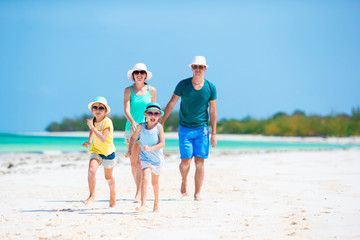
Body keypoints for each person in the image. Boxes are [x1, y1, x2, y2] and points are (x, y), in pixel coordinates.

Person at [161, 56, 217, 201]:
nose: (198, 70)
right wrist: (161, 122)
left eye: (201, 67)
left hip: (202, 130)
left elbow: (212, 111)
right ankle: (184, 180)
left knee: (199, 162)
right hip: (185, 129)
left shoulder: (211, 88)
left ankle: (197, 193)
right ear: (191, 68)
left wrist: (214, 133)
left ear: (205, 69)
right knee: (186, 162)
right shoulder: (183, 85)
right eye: (195, 67)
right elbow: (172, 103)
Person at [124, 63, 157, 203]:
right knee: (133, 162)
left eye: (141, 72)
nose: (139, 74)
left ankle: (139, 193)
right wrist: (132, 121)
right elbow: (126, 109)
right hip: (131, 129)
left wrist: (153, 126)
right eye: (136, 72)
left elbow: (154, 110)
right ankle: (138, 187)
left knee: (140, 162)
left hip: (145, 129)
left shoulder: (152, 90)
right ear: (133, 75)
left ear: (145, 75)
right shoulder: (128, 90)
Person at [125, 102, 165, 212]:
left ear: (159, 116)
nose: (153, 116)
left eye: (156, 114)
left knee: (155, 183)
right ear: (145, 114)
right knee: (144, 179)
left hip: (157, 159)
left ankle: (156, 204)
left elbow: (162, 144)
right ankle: (143, 204)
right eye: (150, 113)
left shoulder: (159, 127)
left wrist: (150, 148)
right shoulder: (141, 126)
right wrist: (130, 151)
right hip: (145, 158)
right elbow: (133, 138)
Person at [82, 96, 116, 208]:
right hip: (96, 151)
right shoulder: (93, 121)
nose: (98, 110)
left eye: (101, 108)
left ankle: (112, 194)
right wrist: (89, 141)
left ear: (105, 111)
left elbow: (103, 138)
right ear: (92, 110)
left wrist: (92, 128)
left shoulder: (107, 122)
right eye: (95, 107)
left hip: (108, 153)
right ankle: (92, 195)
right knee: (91, 171)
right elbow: (92, 133)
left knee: (108, 178)